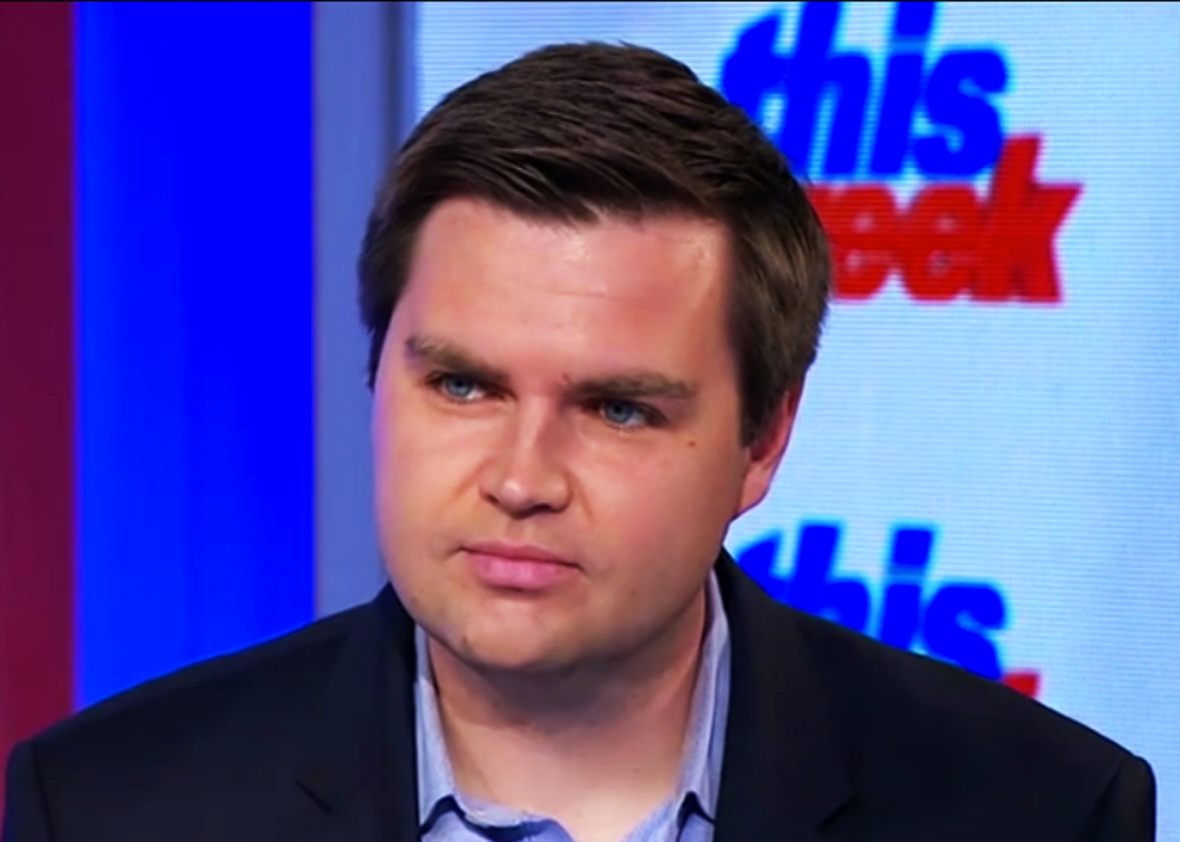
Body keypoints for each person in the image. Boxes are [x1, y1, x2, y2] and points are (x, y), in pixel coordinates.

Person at [2, 43, 1154, 842]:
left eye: (617, 409)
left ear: (762, 441)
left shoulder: (1039, 809)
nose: (519, 478)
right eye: (462, 385)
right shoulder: (108, 806)